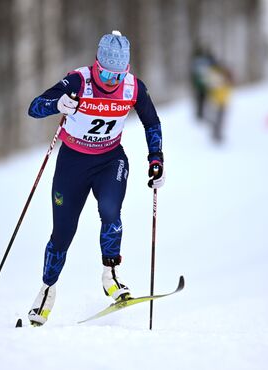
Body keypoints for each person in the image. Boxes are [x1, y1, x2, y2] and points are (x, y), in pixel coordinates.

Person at [26, 30, 165, 326]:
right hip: (72, 163)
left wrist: (156, 160)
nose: (112, 82)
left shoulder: (132, 87)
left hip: (109, 160)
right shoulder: (78, 81)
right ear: (96, 65)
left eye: (119, 75)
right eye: (106, 74)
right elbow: (34, 107)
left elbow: (152, 122)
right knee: (62, 233)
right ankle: (47, 290)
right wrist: (57, 104)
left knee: (111, 212)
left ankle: (111, 277)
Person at [204, 62, 232, 144]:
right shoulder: (217, 78)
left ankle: (218, 134)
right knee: (216, 119)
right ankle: (215, 134)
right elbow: (212, 88)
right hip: (216, 102)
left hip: (223, 102)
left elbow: (227, 91)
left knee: (220, 119)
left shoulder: (225, 80)